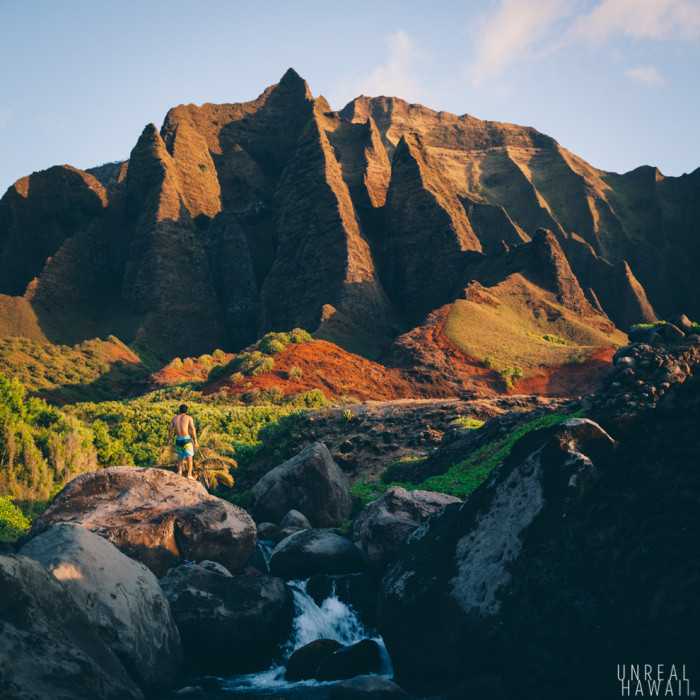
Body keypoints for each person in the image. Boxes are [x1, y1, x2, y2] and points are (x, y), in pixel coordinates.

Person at [168, 404, 198, 479]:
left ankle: (179, 471)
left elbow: (170, 430)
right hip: (186, 439)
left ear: (179, 410)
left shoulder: (174, 419)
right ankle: (189, 475)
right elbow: (192, 429)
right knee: (189, 457)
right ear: (186, 410)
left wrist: (170, 440)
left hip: (178, 440)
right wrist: (195, 439)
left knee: (181, 457)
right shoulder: (189, 418)